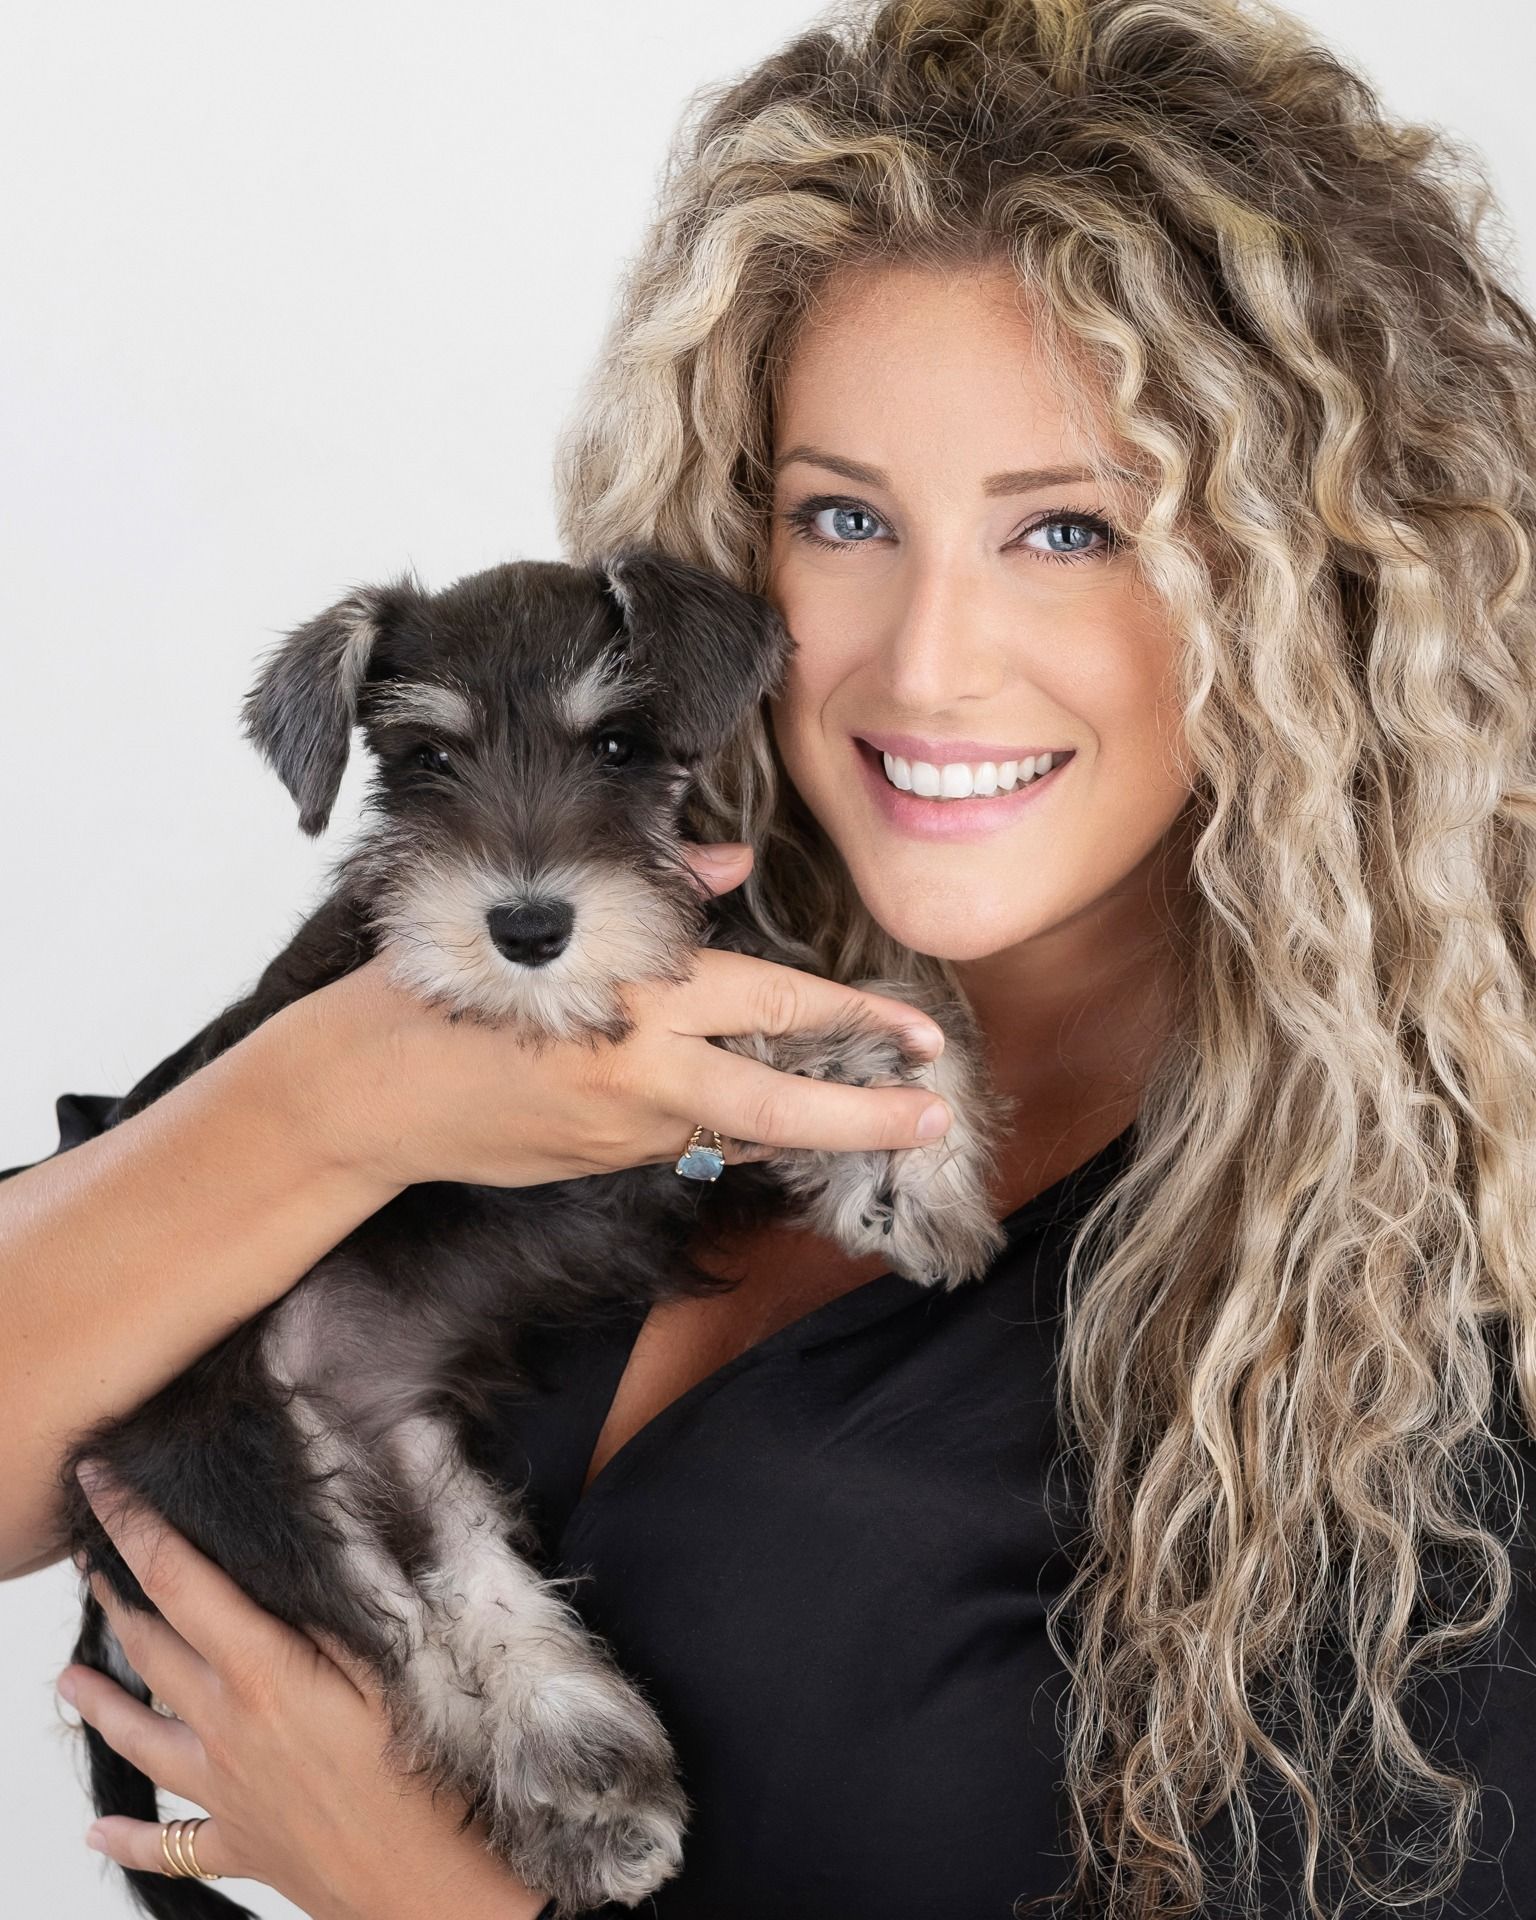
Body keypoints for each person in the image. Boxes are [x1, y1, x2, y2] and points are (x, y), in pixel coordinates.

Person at [6, 0, 1536, 1915]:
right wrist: (322, 1104)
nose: (926, 660)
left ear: (1319, 574)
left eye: (1071, 528)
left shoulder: (1432, 1315)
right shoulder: (543, 962)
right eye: (843, 518)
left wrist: (421, 1897)